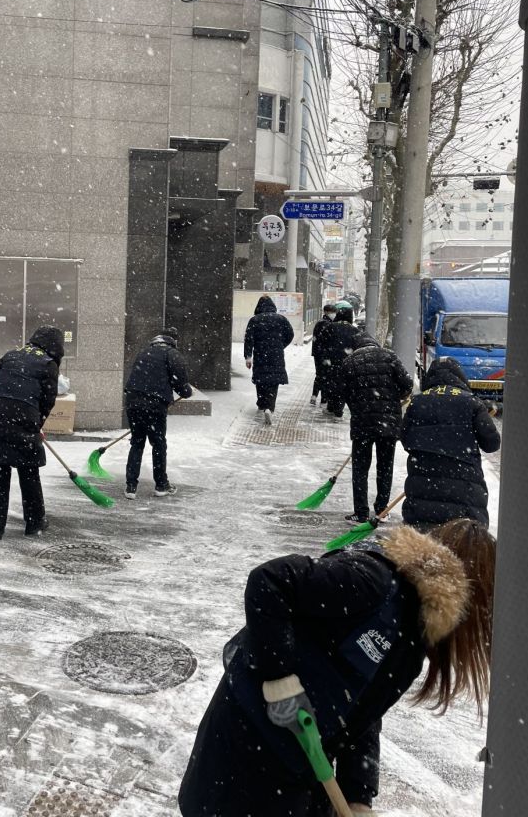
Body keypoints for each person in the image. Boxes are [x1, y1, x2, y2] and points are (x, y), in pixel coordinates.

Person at [179, 519, 495, 817]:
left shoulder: (411, 643)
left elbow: (363, 715)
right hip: (244, 751)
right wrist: (279, 681)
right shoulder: (372, 581)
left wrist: (358, 795)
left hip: (298, 770)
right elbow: (269, 582)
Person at [0, 325, 63, 540]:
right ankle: (34, 523)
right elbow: (47, 400)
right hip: (24, 417)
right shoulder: (48, 364)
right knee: (29, 473)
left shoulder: (11, 355)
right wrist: (37, 423)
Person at [401, 358, 501, 529]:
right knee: (462, 538)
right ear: (459, 376)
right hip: (464, 485)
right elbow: (491, 443)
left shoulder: (417, 402)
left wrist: (430, 447)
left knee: (424, 538)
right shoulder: (471, 402)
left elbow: (405, 438)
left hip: (423, 481)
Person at [341, 332, 413, 524]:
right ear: (374, 344)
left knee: (360, 468)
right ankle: (382, 509)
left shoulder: (349, 362)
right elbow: (407, 385)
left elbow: (342, 393)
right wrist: (393, 399)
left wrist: (357, 407)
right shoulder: (389, 357)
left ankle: (361, 512)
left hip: (362, 423)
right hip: (388, 424)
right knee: (385, 466)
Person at [124, 327, 192, 499]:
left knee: (137, 443)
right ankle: (161, 485)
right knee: (158, 444)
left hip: (133, 401)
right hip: (154, 405)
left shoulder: (144, 352)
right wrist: (186, 392)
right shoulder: (172, 354)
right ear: (173, 341)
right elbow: (181, 384)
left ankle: (130, 487)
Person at [244, 295, 295, 425]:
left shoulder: (255, 320)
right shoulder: (281, 319)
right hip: (276, 355)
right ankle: (269, 408)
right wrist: (280, 345)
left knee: (261, 380)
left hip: (260, 354)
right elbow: (290, 334)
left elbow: (248, 339)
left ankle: (261, 404)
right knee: (273, 382)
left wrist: (248, 357)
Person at [314, 300, 358, 419]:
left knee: (331, 384)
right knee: (343, 386)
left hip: (331, 362)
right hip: (347, 363)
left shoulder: (330, 327)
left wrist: (323, 358)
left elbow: (320, 344)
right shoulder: (355, 331)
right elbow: (357, 347)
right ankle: (338, 410)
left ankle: (331, 407)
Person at [309, 303, 336, 406]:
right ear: (326, 312)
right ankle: (323, 399)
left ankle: (314, 395)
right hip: (326, 354)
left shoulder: (319, 322)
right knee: (326, 376)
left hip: (318, 353)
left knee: (319, 375)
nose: (333, 314)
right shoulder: (327, 324)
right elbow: (329, 340)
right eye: (332, 312)